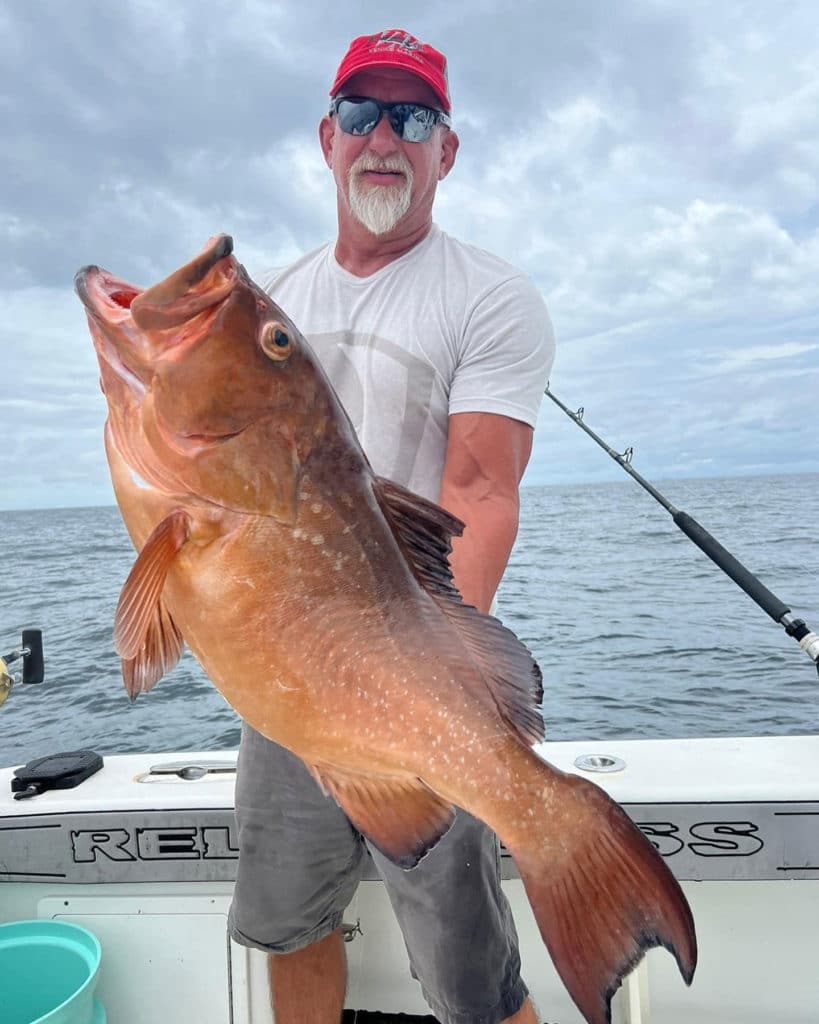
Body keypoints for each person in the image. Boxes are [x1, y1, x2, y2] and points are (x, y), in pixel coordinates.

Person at [228, 28, 555, 1024]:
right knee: (292, 920)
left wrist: (429, 674)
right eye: (362, 114)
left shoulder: (491, 298)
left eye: (413, 117)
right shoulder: (274, 301)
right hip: (284, 668)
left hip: (415, 672)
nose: (385, 137)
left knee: (470, 973)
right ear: (326, 138)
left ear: (445, 151)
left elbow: (483, 491)